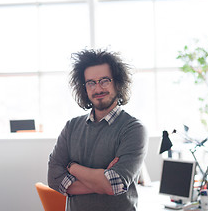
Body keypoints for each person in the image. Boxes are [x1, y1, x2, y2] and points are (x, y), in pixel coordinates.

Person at [48, 48, 148, 211]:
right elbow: (54, 179)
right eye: (91, 82)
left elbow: (113, 184)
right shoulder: (71, 127)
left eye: (104, 80)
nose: (98, 88)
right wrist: (101, 181)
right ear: (85, 88)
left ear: (117, 82)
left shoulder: (134, 129)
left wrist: (72, 167)